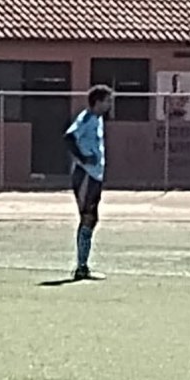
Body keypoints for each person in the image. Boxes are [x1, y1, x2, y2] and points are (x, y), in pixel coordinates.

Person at [64, 84, 113, 282]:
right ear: (97, 102)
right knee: (87, 217)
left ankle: (83, 265)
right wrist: (83, 159)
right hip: (85, 175)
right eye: (107, 101)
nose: (109, 104)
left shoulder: (97, 120)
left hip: (95, 176)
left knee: (91, 218)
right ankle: (81, 267)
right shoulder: (86, 118)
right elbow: (69, 138)